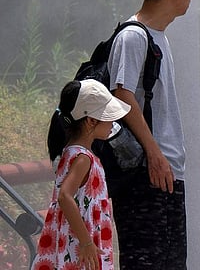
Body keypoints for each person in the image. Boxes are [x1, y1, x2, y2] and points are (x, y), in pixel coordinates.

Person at [107, 0, 200, 269]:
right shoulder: (134, 36)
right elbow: (121, 96)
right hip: (145, 174)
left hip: (164, 173)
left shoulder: (157, 37)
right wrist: (155, 154)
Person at [32, 79, 131, 270]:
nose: (113, 122)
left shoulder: (70, 152)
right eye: (108, 116)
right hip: (79, 245)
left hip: (73, 240)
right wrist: (86, 243)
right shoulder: (83, 158)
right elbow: (65, 196)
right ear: (91, 121)